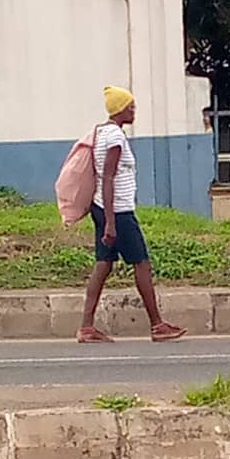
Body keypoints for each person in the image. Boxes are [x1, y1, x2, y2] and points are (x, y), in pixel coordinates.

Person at [77, 86, 185, 343]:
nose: (134, 110)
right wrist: (112, 223)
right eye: (130, 107)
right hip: (118, 212)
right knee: (142, 263)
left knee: (103, 265)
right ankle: (158, 325)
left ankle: (86, 327)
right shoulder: (114, 136)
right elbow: (109, 177)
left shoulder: (101, 132)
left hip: (102, 207)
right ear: (119, 110)